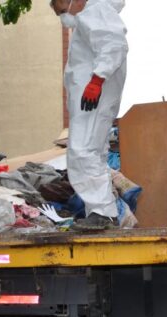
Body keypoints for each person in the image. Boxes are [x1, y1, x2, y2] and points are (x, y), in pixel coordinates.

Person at [50, 0, 128, 230]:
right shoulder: (92, 15)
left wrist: (96, 80)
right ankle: (101, 212)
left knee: (82, 150)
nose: (63, 18)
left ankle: (103, 214)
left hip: (93, 96)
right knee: (93, 152)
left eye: (61, 12)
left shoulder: (94, 12)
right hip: (93, 96)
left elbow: (114, 44)